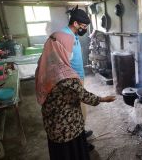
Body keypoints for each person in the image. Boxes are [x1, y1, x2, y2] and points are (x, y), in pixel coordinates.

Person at [35, 30, 116, 160]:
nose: (71, 51)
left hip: (52, 123)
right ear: (60, 48)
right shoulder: (64, 75)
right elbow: (83, 95)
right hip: (67, 128)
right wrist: (102, 99)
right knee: (72, 154)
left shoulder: (44, 65)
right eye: (69, 47)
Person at [61, 6, 93, 142]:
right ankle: (79, 140)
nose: (84, 29)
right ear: (75, 23)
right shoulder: (65, 36)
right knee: (76, 108)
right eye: (83, 26)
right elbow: (62, 62)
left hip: (78, 76)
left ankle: (81, 133)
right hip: (72, 78)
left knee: (80, 106)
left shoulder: (72, 33)